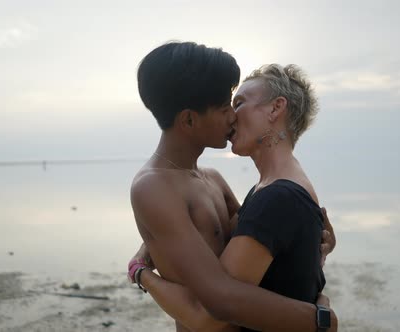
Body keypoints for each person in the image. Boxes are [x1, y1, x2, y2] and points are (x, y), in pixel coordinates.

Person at [129, 41, 337, 332]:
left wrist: (313, 237)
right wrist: (140, 272)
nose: (232, 115)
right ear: (189, 119)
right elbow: (211, 310)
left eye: (236, 102)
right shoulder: (152, 186)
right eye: (226, 105)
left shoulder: (212, 179)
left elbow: (266, 238)